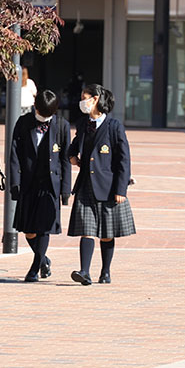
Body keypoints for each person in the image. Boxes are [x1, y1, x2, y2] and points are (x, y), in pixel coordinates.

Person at [67, 84, 135, 286]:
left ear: (95, 99)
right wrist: (71, 156)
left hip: (108, 187)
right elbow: (75, 144)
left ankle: (105, 272)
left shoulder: (114, 127)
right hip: (86, 184)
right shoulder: (82, 123)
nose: (82, 101)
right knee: (87, 229)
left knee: (106, 233)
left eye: (84, 97)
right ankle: (84, 271)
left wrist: (121, 189)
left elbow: (124, 160)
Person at [10, 90, 71, 282]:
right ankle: (43, 259)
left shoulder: (62, 125)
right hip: (28, 182)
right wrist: (14, 182)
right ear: (35, 107)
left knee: (44, 227)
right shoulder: (23, 123)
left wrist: (65, 190)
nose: (44, 118)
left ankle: (35, 268)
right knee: (28, 230)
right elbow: (14, 153)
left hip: (50, 184)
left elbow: (65, 160)